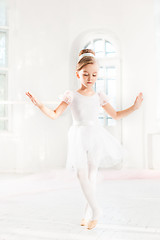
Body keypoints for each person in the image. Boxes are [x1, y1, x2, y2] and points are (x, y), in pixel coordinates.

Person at [26, 49, 143, 230]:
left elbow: (117, 115)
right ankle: (97, 211)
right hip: (78, 136)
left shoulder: (99, 96)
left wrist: (134, 108)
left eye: (94, 75)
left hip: (95, 135)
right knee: (82, 175)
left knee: (92, 176)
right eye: (86, 74)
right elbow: (55, 114)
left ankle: (88, 214)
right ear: (77, 74)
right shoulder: (71, 95)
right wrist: (40, 105)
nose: (90, 78)